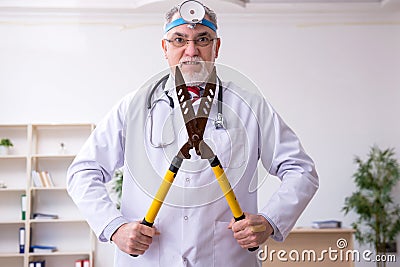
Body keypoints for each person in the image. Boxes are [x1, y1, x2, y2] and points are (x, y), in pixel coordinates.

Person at [67, 1, 319, 266]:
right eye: (179, 40)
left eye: (202, 39)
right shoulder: (133, 107)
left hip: (225, 259)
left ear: (216, 46)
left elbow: (302, 170)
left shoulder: (250, 107)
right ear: (165, 48)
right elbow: (83, 172)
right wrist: (114, 227)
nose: (191, 51)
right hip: (148, 259)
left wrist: (270, 221)